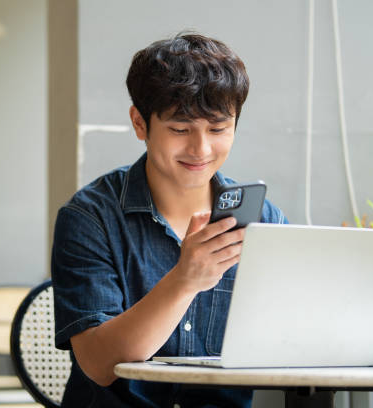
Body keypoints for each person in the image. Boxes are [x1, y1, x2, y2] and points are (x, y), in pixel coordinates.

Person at [51, 33, 287, 408]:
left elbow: (289, 338)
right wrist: (185, 280)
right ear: (140, 123)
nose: (201, 149)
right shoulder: (89, 218)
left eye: (218, 129)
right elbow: (99, 364)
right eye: (180, 130)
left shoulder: (262, 221)